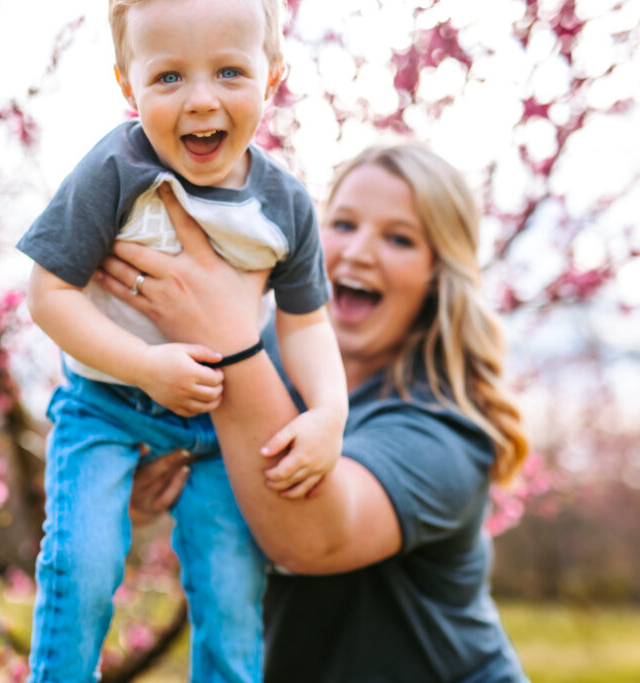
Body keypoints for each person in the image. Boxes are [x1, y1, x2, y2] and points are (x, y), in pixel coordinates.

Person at [98, 142, 531, 681]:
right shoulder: (265, 355)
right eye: (344, 224)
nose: (358, 253)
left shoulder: (445, 428)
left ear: (437, 275)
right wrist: (135, 491)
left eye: (399, 239)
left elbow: (310, 536)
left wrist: (225, 339)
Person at [16, 0, 347, 679]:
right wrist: (143, 364)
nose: (200, 101)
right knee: (82, 564)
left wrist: (329, 412)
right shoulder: (115, 170)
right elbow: (48, 295)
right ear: (127, 85)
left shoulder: (284, 205)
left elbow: (306, 322)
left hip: (223, 423)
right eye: (168, 77)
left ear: (273, 77)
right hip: (105, 407)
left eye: (229, 71)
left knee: (230, 595)